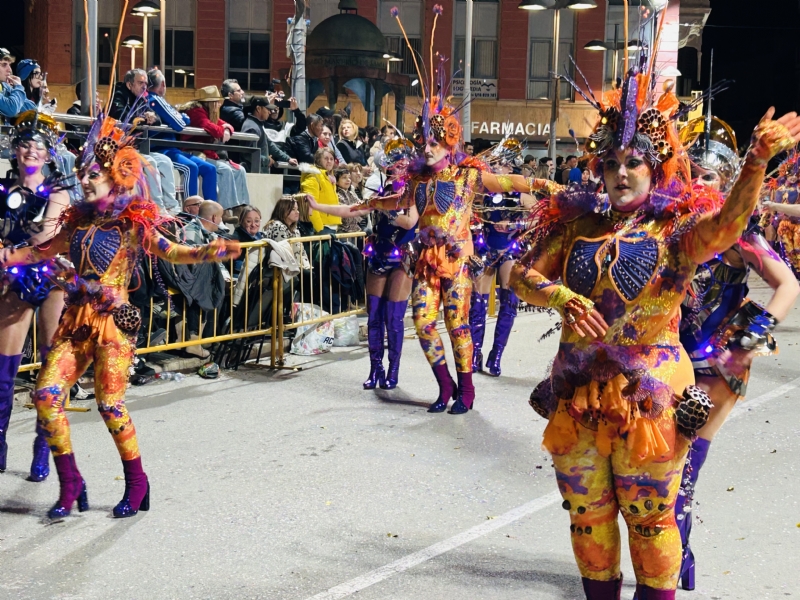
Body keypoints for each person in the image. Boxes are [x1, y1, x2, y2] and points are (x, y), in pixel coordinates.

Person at [508, 50, 800, 596]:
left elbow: (730, 225)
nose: (622, 172)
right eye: (612, 162)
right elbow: (518, 275)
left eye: (634, 163)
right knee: (587, 521)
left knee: (649, 524)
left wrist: (757, 162)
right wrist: (560, 295)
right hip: (576, 396)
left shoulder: (678, 232)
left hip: (652, 398)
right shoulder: (578, 225)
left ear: (654, 167)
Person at [0, 111, 240, 520]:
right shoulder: (75, 223)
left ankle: (136, 482)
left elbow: (171, 251)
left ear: (114, 175)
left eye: (93, 173)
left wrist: (207, 252)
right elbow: (38, 251)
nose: (86, 180)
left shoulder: (133, 223)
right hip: (75, 321)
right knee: (46, 395)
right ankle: (70, 481)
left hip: (113, 324)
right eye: (82, 174)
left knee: (110, 404)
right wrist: (6, 257)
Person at [366, 5, 555, 415]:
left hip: (461, 260)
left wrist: (553, 188)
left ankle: (466, 391)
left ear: (449, 143)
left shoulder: (469, 176)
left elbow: (513, 182)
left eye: (435, 142)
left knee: (457, 324)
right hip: (424, 263)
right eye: (424, 142)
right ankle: (444, 384)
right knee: (422, 320)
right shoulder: (417, 181)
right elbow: (384, 203)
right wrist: (348, 206)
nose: (427, 147)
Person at [677, 141, 800, 591]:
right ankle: (677, 557)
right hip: (667, 358)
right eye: (691, 173)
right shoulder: (669, 226)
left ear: (726, 183)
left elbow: (787, 285)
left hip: (715, 365)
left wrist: (748, 341)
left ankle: (676, 561)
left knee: (684, 469)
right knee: (655, 467)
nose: (697, 182)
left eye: (707, 176)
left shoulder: (741, 231)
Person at [0, 110, 70, 482]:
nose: (30, 151)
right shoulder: (4, 189)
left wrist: (10, 247)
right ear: (15, 151)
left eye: (37, 147)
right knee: (3, 370)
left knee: (49, 368)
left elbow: (46, 238)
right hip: (13, 280)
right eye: (24, 145)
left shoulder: (57, 189)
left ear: (47, 155)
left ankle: (43, 449)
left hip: (49, 277)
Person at [308, 178, 419, 389]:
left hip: (402, 259)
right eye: (391, 166)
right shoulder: (379, 194)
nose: (394, 170)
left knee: (393, 318)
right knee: (374, 316)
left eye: (399, 165)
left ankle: (393, 370)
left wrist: (387, 209)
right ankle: (375, 369)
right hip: (379, 254)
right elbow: (352, 210)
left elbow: (410, 222)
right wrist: (317, 206)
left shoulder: (413, 193)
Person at [470, 184, 536, 377]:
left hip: (510, 251)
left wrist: (515, 225)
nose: (498, 168)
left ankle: (496, 355)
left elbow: (542, 218)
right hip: (484, 250)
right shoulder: (483, 193)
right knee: (477, 303)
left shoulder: (521, 196)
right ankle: (475, 352)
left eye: (502, 165)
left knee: (508, 302)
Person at [109, 69, 179, 214]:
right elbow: (119, 114)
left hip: (136, 148)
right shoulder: (118, 95)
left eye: (146, 84)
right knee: (151, 163)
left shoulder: (142, 98)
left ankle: (172, 207)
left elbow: (158, 120)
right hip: (117, 149)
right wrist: (142, 116)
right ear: (129, 85)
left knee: (165, 161)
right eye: (140, 83)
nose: (144, 87)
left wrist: (152, 117)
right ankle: (157, 207)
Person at [147, 70, 219, 202]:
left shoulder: (153, 100)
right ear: (163, 84)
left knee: (210, 169)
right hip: (161, 149)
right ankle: (189, 213)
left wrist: (179, 118)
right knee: (190, 168)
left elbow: (177, 119)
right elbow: (180, 123)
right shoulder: (155, 99)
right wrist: (183, 118)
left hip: (172, 149)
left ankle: (213, 212)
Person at [181, 85, 250, 210]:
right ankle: (224, 210)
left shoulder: (207, 112)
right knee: (225, 170)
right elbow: (209, 127)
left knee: (240, 170)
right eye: (217, 102)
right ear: (209, 102)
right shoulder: (196, 112)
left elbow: (224, 124)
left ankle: (241, 208)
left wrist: (227, 129)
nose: (219, 104)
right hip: (193, 152)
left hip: (206, 153)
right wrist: (222, 131)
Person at [240, 96, 296, 172]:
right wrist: (266, 160)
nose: (269, 112)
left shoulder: (257, 125)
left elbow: (269, 144)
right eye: (267, 109)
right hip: (253, 175)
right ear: (258, 109)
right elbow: (248, 154)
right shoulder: (252, 127)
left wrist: (287, 158)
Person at [300, 147, 340, 234]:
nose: (329, 161)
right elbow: (310, 205)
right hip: (323, 228)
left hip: (332, 226)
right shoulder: (313, 176)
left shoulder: (330, 178)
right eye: (326, 158)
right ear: (318, 160)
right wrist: (319, 228)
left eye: (331, 159)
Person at [0, 48, 35, 121]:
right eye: (4, 65)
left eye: (9, 65)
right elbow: (11, 109)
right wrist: (18, 87)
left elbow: (32, 108)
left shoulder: (5, 86)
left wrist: (15, 91)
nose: (9, 70)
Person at [334, 167, 363, 234]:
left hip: (355, 230)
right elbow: (345, 215)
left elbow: (361, 207)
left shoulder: (351, 193)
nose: (348, 180)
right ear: (337, 181)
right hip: (343, 231)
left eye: (349, 178)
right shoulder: (336, 195)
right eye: (344, 178)